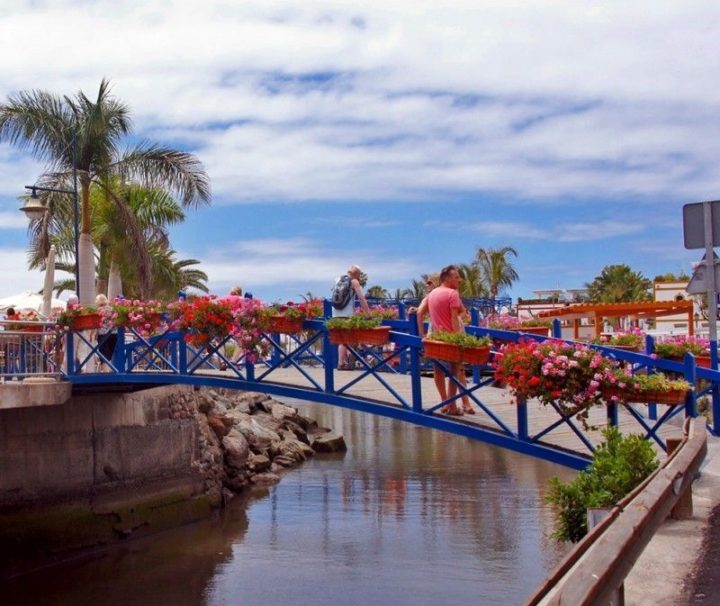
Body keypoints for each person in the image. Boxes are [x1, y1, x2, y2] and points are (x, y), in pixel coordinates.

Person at [416, 265, 469, 416]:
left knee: (439, 370)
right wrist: (458, 339)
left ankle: (447, 403)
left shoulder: (432, 294)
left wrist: (422, 335)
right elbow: (454, 319)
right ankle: (452, 407)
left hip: (436, 338)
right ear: (447, 278)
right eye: (456, 277)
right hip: (450, 338)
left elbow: (420, 313)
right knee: (455, 371)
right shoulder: (452, 294)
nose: (459, 280)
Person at [332, 264, 370, 370]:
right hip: (348, 314)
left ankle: (341, 363)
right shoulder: (354, 282)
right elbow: (361, 298)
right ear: (356, 273)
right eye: (359, 274)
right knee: (349, 340)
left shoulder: (337, 279)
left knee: (342, 340)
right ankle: (347, 364)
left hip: (336, 314)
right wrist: (368, 314)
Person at [95, 294, 117, 371]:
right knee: (112, 352)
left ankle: (106, 371)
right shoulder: (112, 309)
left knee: (104, 353)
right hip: (114, 333)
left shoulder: (98, 310)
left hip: (103, 334)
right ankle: (113, 369)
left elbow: (96, 324)